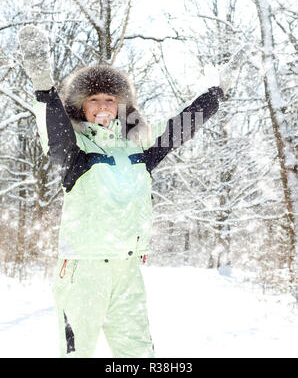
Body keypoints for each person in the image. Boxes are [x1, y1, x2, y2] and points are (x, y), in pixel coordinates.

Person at [17, 25, 236, 358]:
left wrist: (215, 94)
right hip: (83, 272)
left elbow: (179, 127)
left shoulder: (139, 149)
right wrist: (44, 86)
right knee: (76, 354)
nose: (103, 106)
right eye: (94, 100)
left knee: (138, 355)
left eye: (111, 100)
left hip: (127, 272)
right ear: (81, 107)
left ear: (122, 107)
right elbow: (54, 128)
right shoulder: (74, 151)